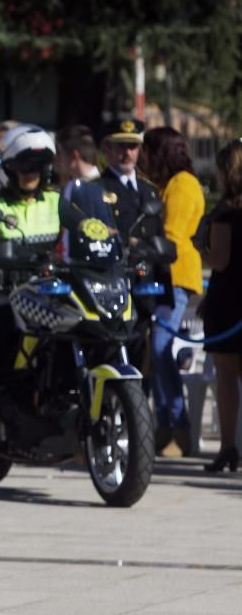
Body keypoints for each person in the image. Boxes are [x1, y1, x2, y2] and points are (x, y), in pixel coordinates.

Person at [0, 124, 67, 432]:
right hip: (6, 291)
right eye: (22, 165)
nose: (29, 172)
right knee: (2, 325)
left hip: (51, 291)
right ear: (8, 168)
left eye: (36, 165)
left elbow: (87, 227)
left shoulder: (57, 201)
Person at [140, 127, 205, 456]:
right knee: (154, 349)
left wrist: (139, 242)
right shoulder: (167, 184)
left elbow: (172, 233)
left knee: (163, 347)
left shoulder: (183, 184)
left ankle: (177, 426)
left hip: (175, 273)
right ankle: (163, 423)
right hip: (162, 274)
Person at [97, 119, 164, 375]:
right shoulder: (98, 188)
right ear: (108, 150)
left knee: (142, 357)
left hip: (146, 285)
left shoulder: (149, 191)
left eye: (133, 147)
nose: (127, 153)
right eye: (121, 146)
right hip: (113, 284)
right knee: (112, 357)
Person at [199, 139, 242, 472]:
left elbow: (221, 260)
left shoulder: (225, 211)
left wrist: (198, 247)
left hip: (229, 302)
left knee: (227, 380)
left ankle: (228, 446)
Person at [54, 125, 116, 229]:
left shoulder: (104, 187)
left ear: (75, 155)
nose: (56, 157)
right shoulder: (69, 187)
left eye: (59, 152)